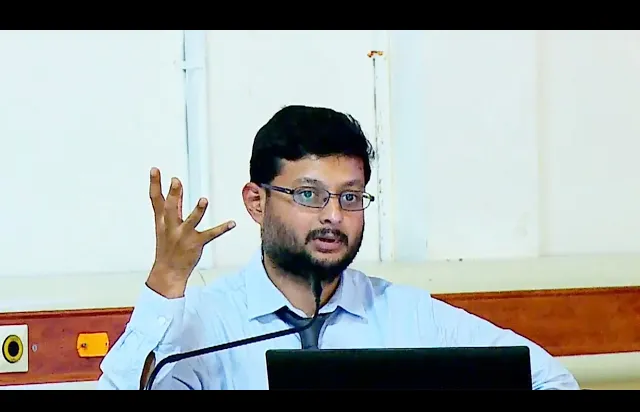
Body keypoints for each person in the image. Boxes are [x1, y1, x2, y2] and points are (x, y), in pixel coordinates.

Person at [97, 105, 580, 390]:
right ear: (257, 202)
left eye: (350, 197)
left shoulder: (407, 316)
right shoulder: (206, 323)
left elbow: (549, 380)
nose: (333, 215)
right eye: (309, 195)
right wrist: (166, 283)